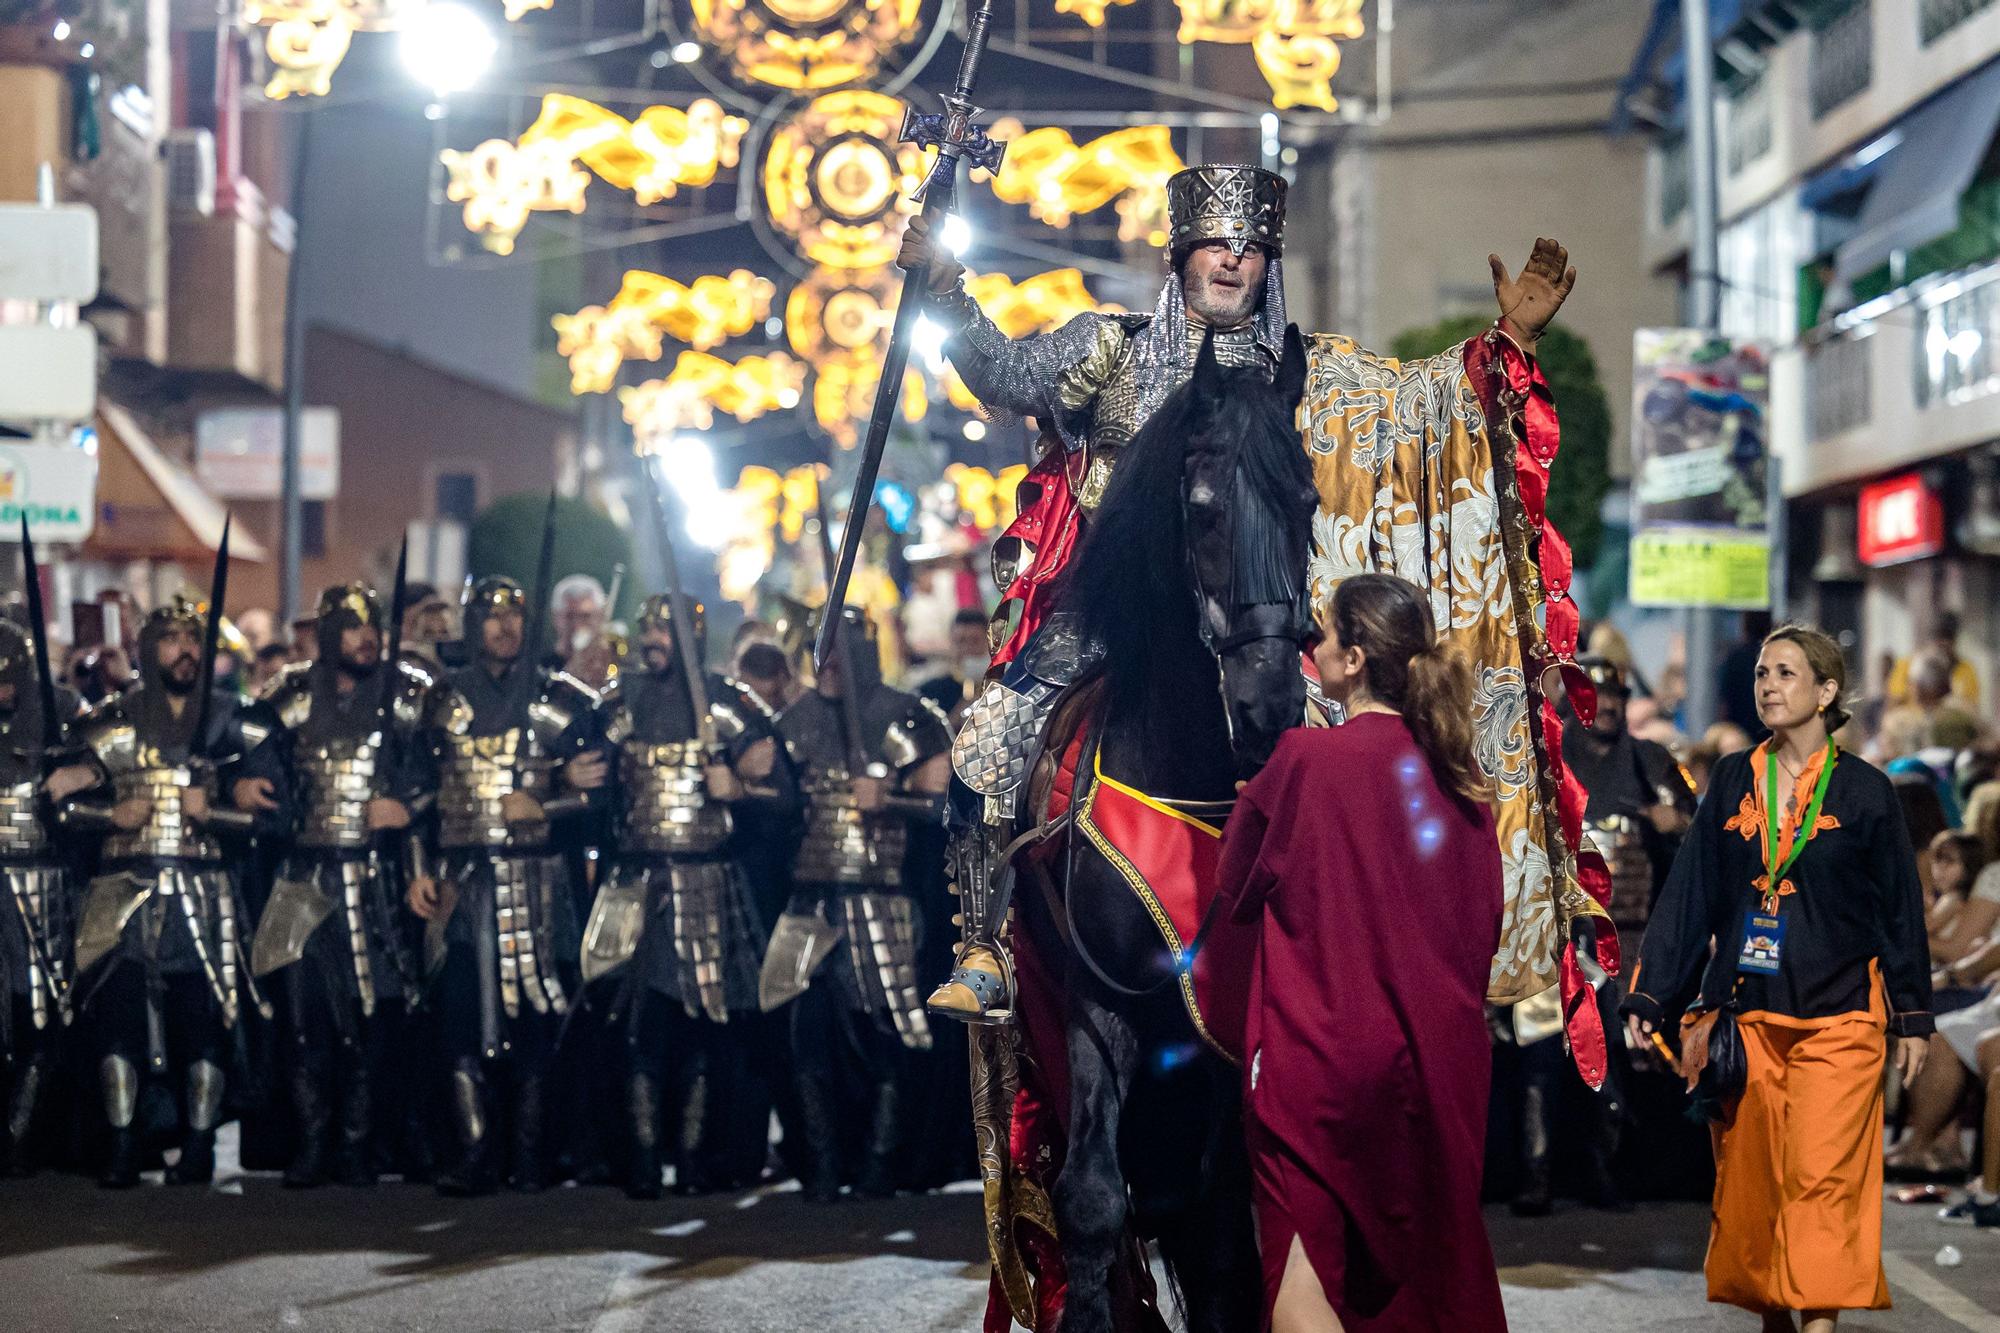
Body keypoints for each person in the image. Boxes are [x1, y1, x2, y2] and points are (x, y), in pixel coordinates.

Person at [1216, 573, 1507, 1333]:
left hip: (1323, 1062)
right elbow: (1481, 928)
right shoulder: (1461, 778)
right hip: (1436, 1068)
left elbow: (1233, 883)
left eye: (1323, 633)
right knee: (1417, 1291)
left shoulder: (1306, 761)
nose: (1311, 646)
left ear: (1350, 658)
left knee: (1305, 1280)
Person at [1624, 623, 1932, 1333]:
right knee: (1755, 1183)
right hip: (1746, 1016)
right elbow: (1691, 890)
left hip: (1841, 1019)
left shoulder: (1865, 790)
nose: (1768, 684)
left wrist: (1913, 1013)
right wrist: (1653, 990)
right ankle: (1773, 1317)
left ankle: (1817, 1321)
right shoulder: (1732, 775)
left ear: (1827, 693)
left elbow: (1900, 908)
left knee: (1822, 1181)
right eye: (1763, 672)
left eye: (1787, 673)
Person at [57, 596, 291, 1187]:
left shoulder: (237, 720)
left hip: (203, 888)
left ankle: (199, 1143)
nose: (185, 651)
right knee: (118, 1021)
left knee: (202, 1020)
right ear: (147, 647)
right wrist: (109, 815)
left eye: (194, 640)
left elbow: (276, 815)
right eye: (171, 639)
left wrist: (218, 809)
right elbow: (59, 807)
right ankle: (122, 1140)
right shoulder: (110, 721)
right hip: (123, 886)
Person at [581, 595, 797, 1199]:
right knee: (639, 1027)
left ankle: (698, 1160)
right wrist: (568, 781)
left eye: (665, 627)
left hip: (706, 879)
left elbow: (785, 796)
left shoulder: (728, 703)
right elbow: (582, 776)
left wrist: (743, 788)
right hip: (637, 882)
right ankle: (646, 1160)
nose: (654, 636)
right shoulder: (619, 703)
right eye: (648, 626)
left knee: (703, 1028)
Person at [406, 576, 602, 1195]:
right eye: (490, 616)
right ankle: (475, 1151)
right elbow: (415, 797)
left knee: (536, 1019)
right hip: (463, 881)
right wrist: (418, 870)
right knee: (460, 1020)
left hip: (538, 882)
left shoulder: (561, 700)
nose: (504, 627)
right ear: (470, 624)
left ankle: (530, 1153)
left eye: (514, 615)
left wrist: (550, 799)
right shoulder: (442, 699)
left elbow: (601, 799)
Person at [246, 584, 446, 1188]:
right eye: (355, 628)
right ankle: (313, 1142)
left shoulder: (407, 693)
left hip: (378, 877)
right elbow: (251, 746)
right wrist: (245, 783)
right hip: (305, 874)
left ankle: (360, 1145)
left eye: (373, 628)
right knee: (306, 1017)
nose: (368, 639)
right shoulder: (293, 692)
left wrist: (407, 807)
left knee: (372, 1016)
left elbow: (445, 772)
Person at [765, 606, 950, 1201]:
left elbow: (946, 807)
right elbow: (774, 808)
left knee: (887, 1035)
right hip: (810, 898)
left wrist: (890, 799)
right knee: (805, 1030)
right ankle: (821, 1161)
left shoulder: (907, 716)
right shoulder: (791, 722)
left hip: (883, 898)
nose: (826, 662)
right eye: (819, 649)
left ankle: (880, 1161)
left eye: (837, 649)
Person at [0, 621, 84, 1173]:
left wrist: (86, 769)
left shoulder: (64, 710)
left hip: (42, 879)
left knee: (39, 1011)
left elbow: (123, 753)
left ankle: (20, 1135)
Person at [1889, 611, 1981, 713]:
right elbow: (1894, 705)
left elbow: (1971, 709)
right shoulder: (1907, 666)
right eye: (1938, 637)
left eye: (1948, 638)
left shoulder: (1965, 670)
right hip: (1912, 726)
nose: (1942, 643)